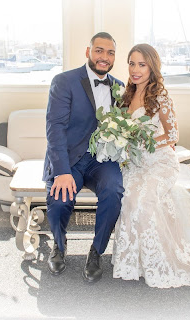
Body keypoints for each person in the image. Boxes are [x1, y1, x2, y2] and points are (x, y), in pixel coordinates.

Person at [111, 44, 190, 288]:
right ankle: (135, 263)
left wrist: (144, 141)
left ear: (152, 67)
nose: (135, 69)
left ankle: (162, 260)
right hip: (135, 163)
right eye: (132, 63)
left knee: (145, 199)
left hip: (160, 162)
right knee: (129, 197)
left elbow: (173, 135)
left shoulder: (161, 96)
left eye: (141, 64)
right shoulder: (124, 96)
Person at [43, 32, 125, 283]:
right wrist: (62, 171)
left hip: (102, 160)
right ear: (87, 51)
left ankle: (97, 251)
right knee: (59, 199)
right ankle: (59, 244)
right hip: (70, 159)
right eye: (99, 50)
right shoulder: (64, 81)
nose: (104, 57)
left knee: (114, 191)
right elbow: (54, 128)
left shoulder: (119, 87)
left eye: (110, 52)